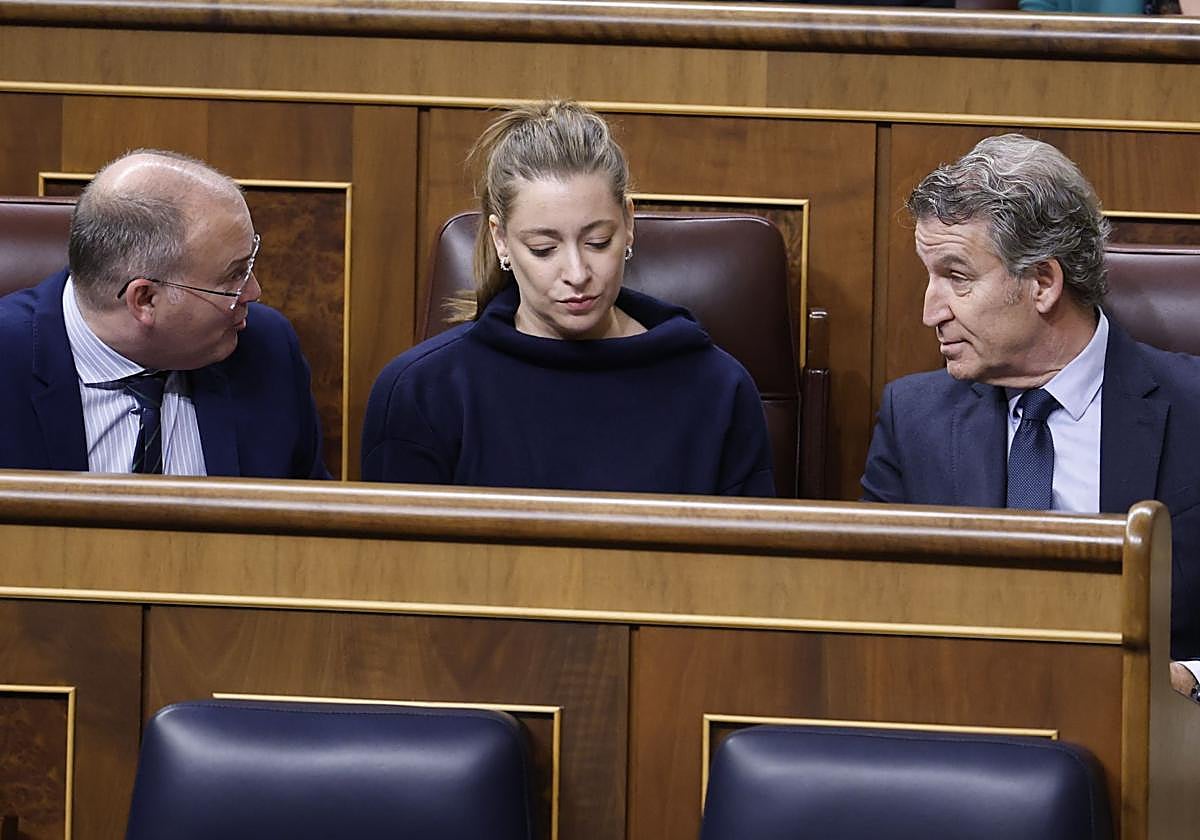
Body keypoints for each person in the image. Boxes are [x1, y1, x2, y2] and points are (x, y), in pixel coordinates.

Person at [860, 134, 1200, 699]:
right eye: (929, 276)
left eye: (957, 277)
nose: (929, 312)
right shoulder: (911, 419)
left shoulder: (1195, 410)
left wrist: (1190, 677)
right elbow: (871, 610)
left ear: (1043, 282)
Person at [362, 100, 774, 496]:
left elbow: (749, 565)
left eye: (598, 242)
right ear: (500, 239)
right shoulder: (422, 392)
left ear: (629, 224)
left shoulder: (718, 388)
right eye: (544, 248)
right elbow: (398, 566)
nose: (577, 274)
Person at [0, 149, 329, 479]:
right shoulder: (8, 363)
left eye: (249, 266)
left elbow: (310, 523)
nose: (253, 293)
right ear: (144, 300)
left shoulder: (267, 351)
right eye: (233, 276)